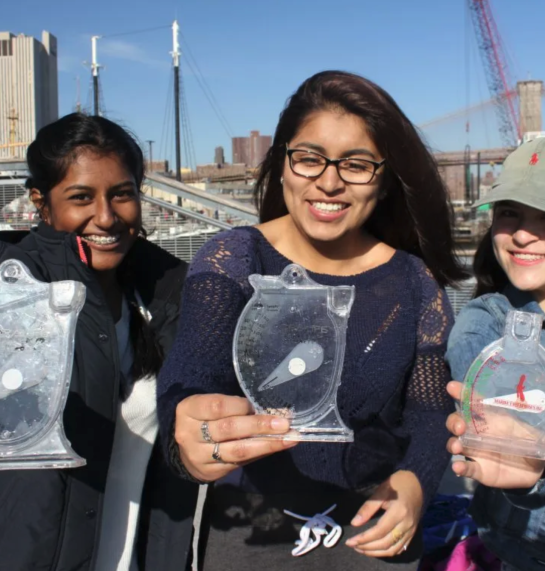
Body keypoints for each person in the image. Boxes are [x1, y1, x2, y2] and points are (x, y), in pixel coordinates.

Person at [157, 70, 467, 570]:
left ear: (384, 181)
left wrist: (416, 482)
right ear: (282, 163)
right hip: (250, 536)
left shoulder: (414, 282)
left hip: (375, 536)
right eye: (309, 158)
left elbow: (429, 412)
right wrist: (187, 434)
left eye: (357, 164)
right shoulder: (234, 259)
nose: (328, 180)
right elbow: (191, 376)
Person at [0, 113, 199, 571]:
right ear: (41, 203)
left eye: (122, 194)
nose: (106, 217)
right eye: (81, 198)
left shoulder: (168, 293)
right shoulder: (15, 296)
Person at [445, 137, 545, 571]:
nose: (522, 233)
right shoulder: (483, 325)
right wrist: (526, 469)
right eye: (509, 212)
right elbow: (503, 438)